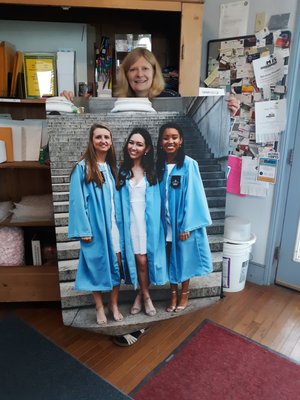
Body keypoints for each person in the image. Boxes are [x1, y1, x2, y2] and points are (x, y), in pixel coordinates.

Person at [68, 123, 124, 325]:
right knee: (96, 266)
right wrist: (83, 229)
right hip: (95, 227)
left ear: (111, 142)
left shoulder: (111, 168)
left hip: (114, 227)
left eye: (107, 137)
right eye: (99, 137)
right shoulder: (82, 168)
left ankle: (114, 304)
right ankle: (100, 307)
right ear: (92, 141)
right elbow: (76, 200)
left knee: (117, 265)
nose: (103, 141)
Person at [156, 122, 213, 312]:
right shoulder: (159, 165)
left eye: (174, 137)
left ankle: (184, 294)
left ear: (180, 141)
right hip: (165, 223)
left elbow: (194, 195)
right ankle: (172, 294)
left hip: (182, 224)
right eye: (166, 138)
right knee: (170, 256)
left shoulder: (189, 164)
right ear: (160, 142)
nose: (170, 141)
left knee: (185, 257)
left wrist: (187, 226)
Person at [118, 127, 168, 319]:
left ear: (146, 148)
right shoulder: (122, 172)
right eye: (131, 142)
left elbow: (158, 202)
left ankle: (142, 295)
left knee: (144, 261)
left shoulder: (152, 172)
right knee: (138, 260)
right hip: (131, 224)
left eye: (139, 144)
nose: (134, 147)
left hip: (147, 224)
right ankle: (145, 296)